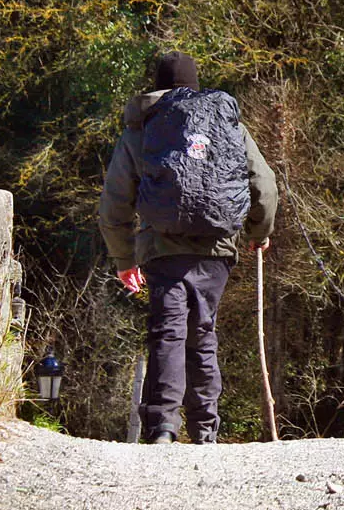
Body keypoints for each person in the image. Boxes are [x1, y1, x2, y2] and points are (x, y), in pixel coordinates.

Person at [100, 51, 278, 445]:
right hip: (217, 247)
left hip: (163, 247)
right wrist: (257, 232)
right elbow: (264, 185)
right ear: (196, 85)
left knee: (168, 330)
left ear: (156, 85)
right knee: (203, 330)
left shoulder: (143, 126)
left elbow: (115, 201)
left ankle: (163, 425)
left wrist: (123, 258)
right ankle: (205, 428)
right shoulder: (227, 124)